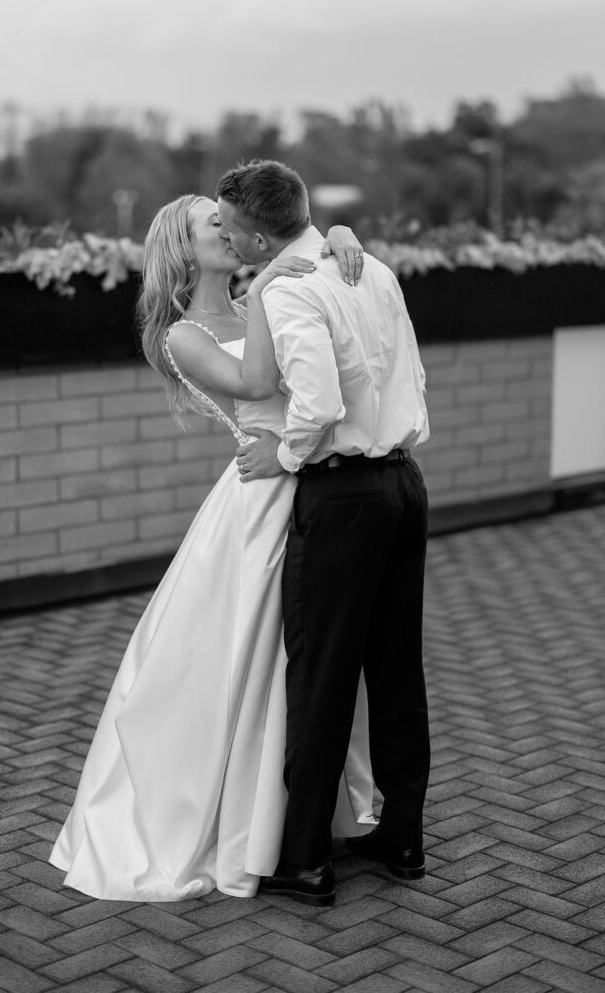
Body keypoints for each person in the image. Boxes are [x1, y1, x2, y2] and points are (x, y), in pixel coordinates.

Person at [48, 194, 376, 902]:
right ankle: (235, 824)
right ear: (185, 250)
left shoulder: (268, 289)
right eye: (213, 226)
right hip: (260, 501)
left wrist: (337, 234)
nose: (229, 231)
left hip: (311, 478)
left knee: (310, 663)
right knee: (249, 661)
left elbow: (310, 255)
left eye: (229, 221)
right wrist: (279, 282)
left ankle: (296, 816)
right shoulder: (180, 334)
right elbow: (259, 384)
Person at [215, 159, 431, 907]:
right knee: (398, 671)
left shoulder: (289, 290)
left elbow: (317, 404)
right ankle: (403, 836)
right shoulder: (370, 269)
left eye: (229, 225)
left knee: (322, 676)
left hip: (342, 498)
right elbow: (412, 375)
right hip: (405, 484)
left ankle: (305, 856)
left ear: (255, 229)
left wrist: (280, 453)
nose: (227, 237)